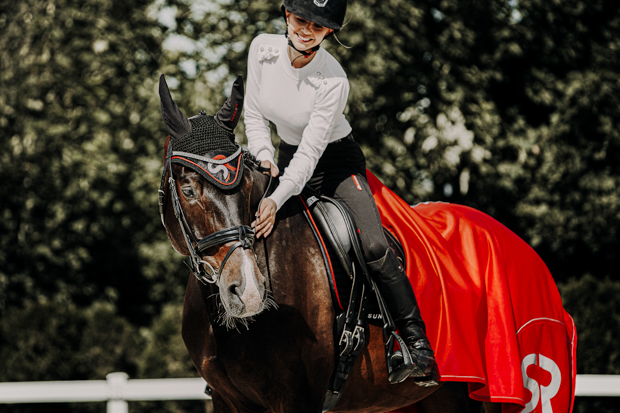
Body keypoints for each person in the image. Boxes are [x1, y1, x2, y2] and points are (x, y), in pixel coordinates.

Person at [245, 0, 437, 384]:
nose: (306, 29)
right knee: (242, 226)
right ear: (286, 15)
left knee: (374, 247)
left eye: (317, 25)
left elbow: (311, 154)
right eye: (301, 19)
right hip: (282, 155)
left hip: (334, 164)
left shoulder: (334, 80)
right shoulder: (261, 50)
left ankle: (416, 346)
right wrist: (265, 158)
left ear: (329, 31)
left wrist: (276, 198)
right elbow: (253, 114)